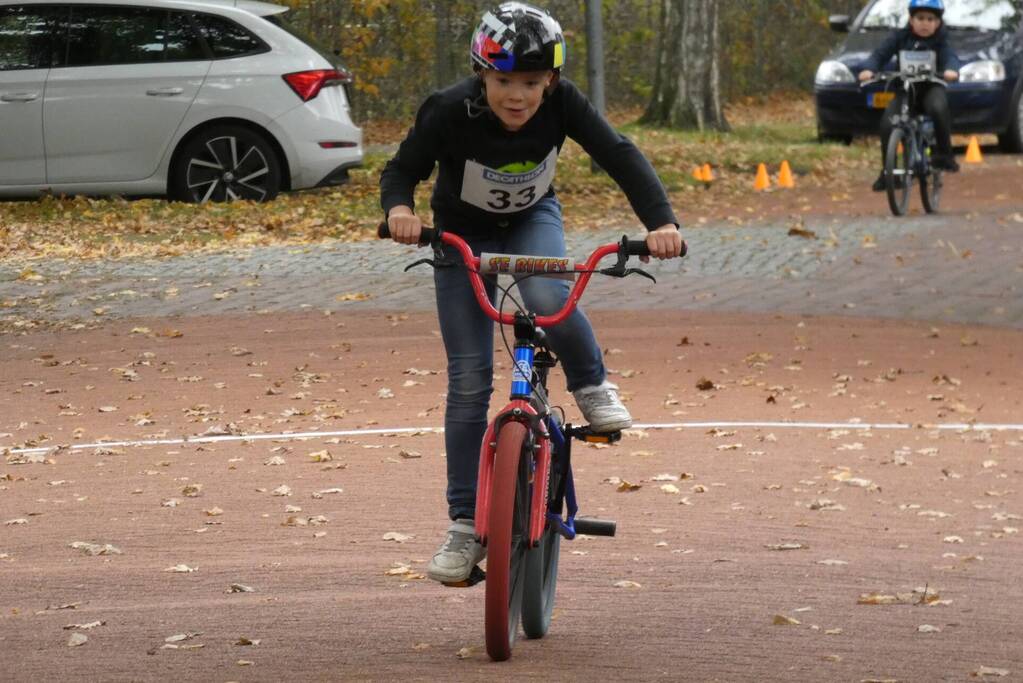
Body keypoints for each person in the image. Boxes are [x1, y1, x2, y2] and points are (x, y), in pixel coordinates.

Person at [379, 2, 683, 584]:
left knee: (548, 298)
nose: (515, 95)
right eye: (502, 81)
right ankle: (465, 526)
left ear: (552, 81)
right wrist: (399, 211)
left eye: (531, 82)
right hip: (458, 236)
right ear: (481, 75)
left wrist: (660, 221)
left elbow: (618, 154)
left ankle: (591, 383)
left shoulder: (565, 105)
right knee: (468, 379)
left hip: (531, 218)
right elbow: (402, 170)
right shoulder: (448, 109)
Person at [858, 0, 961, 192]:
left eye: (930, 19)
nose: (925, 23)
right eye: (920, 18)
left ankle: (944, 156)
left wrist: (951, 70)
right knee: (887, 123)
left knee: (938, 108)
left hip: (931, 89)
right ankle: (888, 173)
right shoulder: (900, 37)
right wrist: (869, 69)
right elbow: (880, 55)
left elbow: (951, 57)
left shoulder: (941, 40)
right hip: (905, 91)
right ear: (911, 20)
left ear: (938, 23)